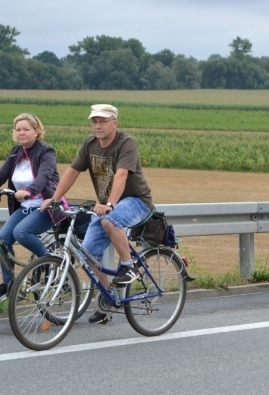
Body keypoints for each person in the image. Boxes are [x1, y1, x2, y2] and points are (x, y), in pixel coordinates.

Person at [41, 104, 154, 324]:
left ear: (115, 123)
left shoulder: (126, 143)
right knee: (88, 254)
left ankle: (130, 266)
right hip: (106, 204)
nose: (97, 125)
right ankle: (109, 296)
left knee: (111, 221)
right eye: (94, 121)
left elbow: (121, 176)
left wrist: (110, 203)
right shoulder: (90, 144)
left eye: (102, 121)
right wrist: (55, 199)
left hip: (136, 201)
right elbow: (72, 171)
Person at [0, 114, 61, 298]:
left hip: (45, 206)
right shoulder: (15, 152)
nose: (21, 133)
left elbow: (43, 176)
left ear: (37, 131)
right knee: (2, 240)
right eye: (18, 129)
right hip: (25, 207)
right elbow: (2, 174)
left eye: (26, 129)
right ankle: (11, 285)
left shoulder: (46, 152)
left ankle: (52, 265)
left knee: (21, 233)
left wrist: (29, 191)